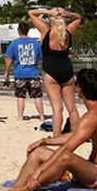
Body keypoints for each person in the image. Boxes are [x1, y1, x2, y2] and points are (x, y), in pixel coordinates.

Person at [0, 68, 97, 191]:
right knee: (38, 151)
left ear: (80, 90)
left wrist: (40, 170)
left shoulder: (93, 116)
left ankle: (27, 189)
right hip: (92, 169)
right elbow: (75, 136)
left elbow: (68, 148)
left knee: (65, 156)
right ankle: (17, 187)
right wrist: (45, 141)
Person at [28, 7, 82, 137]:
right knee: (72, 108)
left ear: (51, 18)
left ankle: (57, 137)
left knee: (57, 109)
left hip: (51, 70)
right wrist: (67, 13)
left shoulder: (46, 31)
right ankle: (76, 135)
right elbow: (79, 17)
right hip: (66, 68)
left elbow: (30, 13)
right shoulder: (68, 32)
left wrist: (47, 12)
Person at [4, 21, 46, 123]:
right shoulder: (35, 43)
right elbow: (40, 58)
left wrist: (7, 72)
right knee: (37, 96)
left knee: (20, 96)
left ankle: (20, 116)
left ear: (19, 31)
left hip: (20, 73)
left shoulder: (14, 44)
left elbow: (9, 59)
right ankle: (41, 116)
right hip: (33, 72)